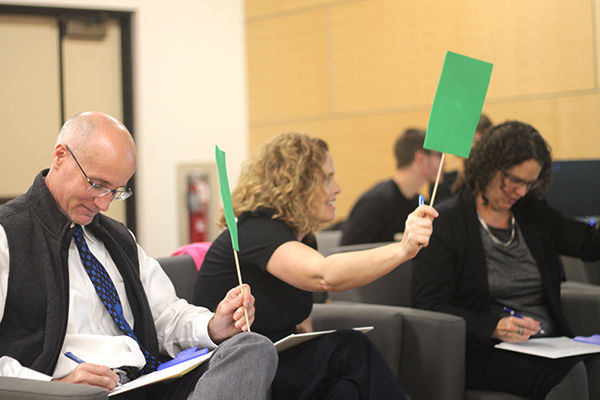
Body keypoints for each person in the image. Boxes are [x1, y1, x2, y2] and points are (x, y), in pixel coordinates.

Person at [0, 112, 277, 400]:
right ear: (60, 156)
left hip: (143, 381)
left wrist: (212, 326)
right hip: (73, 393)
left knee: (252, 348)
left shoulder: (117, 239)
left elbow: (166, 316)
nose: (104, 204)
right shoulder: (8, 236)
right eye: (96, 184)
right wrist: (54, 388)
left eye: (115, 191)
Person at [193, 132, 438, 400]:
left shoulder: (302, 238)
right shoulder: (253, 231)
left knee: (344, 390)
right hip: (237, 371)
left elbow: (301, 324)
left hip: (278, 362)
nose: (337, 188)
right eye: (327, 178)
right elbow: (324, 276)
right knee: (350, 347)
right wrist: (403, 249)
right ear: (296, 185)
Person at [411, 120, 600, 399]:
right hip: (485, 350)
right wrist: (493, 327)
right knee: (568, 375)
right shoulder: (446, 223)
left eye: (529, 183)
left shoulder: (531, 213)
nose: (521, 192)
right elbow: (427, 306)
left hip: (549, 343)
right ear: (487, 167)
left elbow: (587, 243)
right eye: (514, 180)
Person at [340, 128, 442, 245]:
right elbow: (346, 251)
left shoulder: (419, 203)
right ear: (421, 159)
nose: (444, 162)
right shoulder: (376, 202)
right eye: (438, 155)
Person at [431, 113, 493, 203]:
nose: (471, 146)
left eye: (476, 141)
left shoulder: (492, 183)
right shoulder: (442, 182)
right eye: (467, 140)